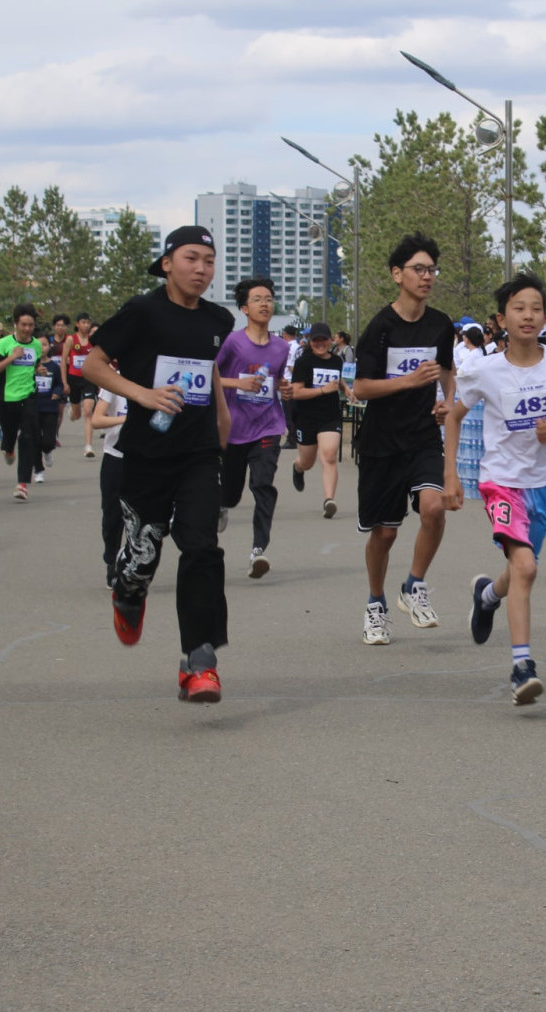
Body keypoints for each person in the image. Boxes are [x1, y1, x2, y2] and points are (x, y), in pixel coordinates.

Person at [80, 224, 234, 703]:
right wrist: (143, 395)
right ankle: (128, 592)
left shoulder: (218, 320)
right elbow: (93, 364)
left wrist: (222, 433)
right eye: (191, 258)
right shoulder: (143, 311)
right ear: (167, 263)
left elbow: (209, 381)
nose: (202, 269)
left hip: (199, 451)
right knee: (146, 548)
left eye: (209, 261)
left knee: (203, 548)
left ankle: (200, 661)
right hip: (147, 451)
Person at [444, 273, 546, 705]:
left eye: (536, 308)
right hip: (501, 482)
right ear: (502, 316)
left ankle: (488, 595)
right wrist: (451, 474)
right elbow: (453, 417)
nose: (528, 316)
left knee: (519, 568)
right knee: (526, 567)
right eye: (519, 308)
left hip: (543, 487)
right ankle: (522, 667)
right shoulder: (483, 369)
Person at [352, 231, 456, 645]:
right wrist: (408, 381)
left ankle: (414, 585)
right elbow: (360, 388)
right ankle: (376, 603)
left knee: (434, 508)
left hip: (422, 436)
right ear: (397, 274)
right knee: (386, 533)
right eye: (418, 269)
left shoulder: (440, 325)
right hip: (380, 442)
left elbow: (447, 371)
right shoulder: (381, 327)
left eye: (432, 269)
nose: (427, 276)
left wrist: (448, 400)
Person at [216, 278, 293, 577]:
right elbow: (211, 377)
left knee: (263, 485)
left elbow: (275, 379)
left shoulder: (280, 347)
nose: (265, 304)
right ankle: (222, 505)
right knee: (232, 494)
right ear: (245, 308)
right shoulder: (232, 342)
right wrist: (238, 382)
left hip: (268, 427)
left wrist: (283, 389)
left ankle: (258, 550)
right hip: (234, 429)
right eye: (258, 299)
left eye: (269, 299)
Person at [288, 321, 345, 519]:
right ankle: (297, 467)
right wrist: (322, 390)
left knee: (329, 456)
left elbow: (338, 379)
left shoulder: (337, 361)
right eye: (316, 341)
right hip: (306, 417)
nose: (320, 344)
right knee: (308, 462)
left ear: (331, 341)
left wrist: (346, 389)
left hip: (330, 416)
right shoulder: (304, 362)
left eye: (324, 340)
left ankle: (329, 500)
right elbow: (296, 392)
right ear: (310, 342)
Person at [0, 304, 44, 502]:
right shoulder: (4, 344)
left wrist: (40, 370)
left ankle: (22, 484)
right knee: (10, 436)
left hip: (28, 397)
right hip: (7, 398)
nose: (27, 328)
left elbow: (35, 365)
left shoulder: (36, 345)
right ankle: (8, 447)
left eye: (30, 325)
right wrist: (12, 357)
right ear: (16, 324)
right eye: (23, 325)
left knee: (28, 437)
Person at [91, 381, 130, 589]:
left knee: (141, 516)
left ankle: (132, 563)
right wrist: (125, 419)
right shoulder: (114, 380)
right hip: (115, 457)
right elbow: (97, 419)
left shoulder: (154, 375)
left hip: (145, 458)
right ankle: (111, 559)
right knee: (112, 517)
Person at [63, 312, 99, 458]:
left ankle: (88, 446)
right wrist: (65, 382)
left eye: (87, 322)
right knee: (77, 414)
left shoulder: (93, 340)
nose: (85, 325)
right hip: (74, 379)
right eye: (83, 322)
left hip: (88, 378)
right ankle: (73, 411)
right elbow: (63, 362)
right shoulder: (71, 340)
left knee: (88, 411)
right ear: (77, 324)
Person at [31, 348, 64, 483]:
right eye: (39, 344)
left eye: (44, 344)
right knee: (34, 440)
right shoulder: (30, 366)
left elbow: (59, 384)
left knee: (49, 440)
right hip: (33, 406)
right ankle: (38, 470)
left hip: (50, 407)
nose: (42, 348)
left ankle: (48, 450)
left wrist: (57, 392)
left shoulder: (54, 367)